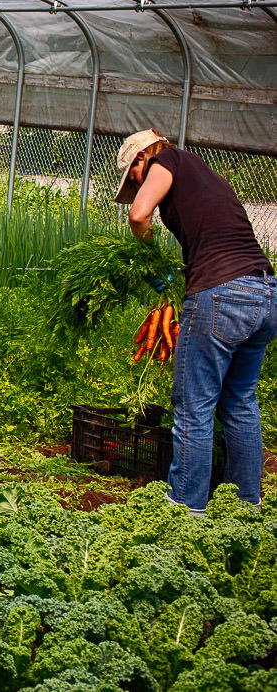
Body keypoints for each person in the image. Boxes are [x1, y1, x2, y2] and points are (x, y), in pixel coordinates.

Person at [115, 128, 276, 513]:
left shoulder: (166, 159)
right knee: (239, 402)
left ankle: (186, 510)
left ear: (142, 157)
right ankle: (245, 508)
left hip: (222, 293)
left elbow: (138, 215)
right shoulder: (206, 174)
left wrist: (152, 260)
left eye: (133, 176)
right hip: (266, 293)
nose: (135, 186)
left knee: (194, 406)